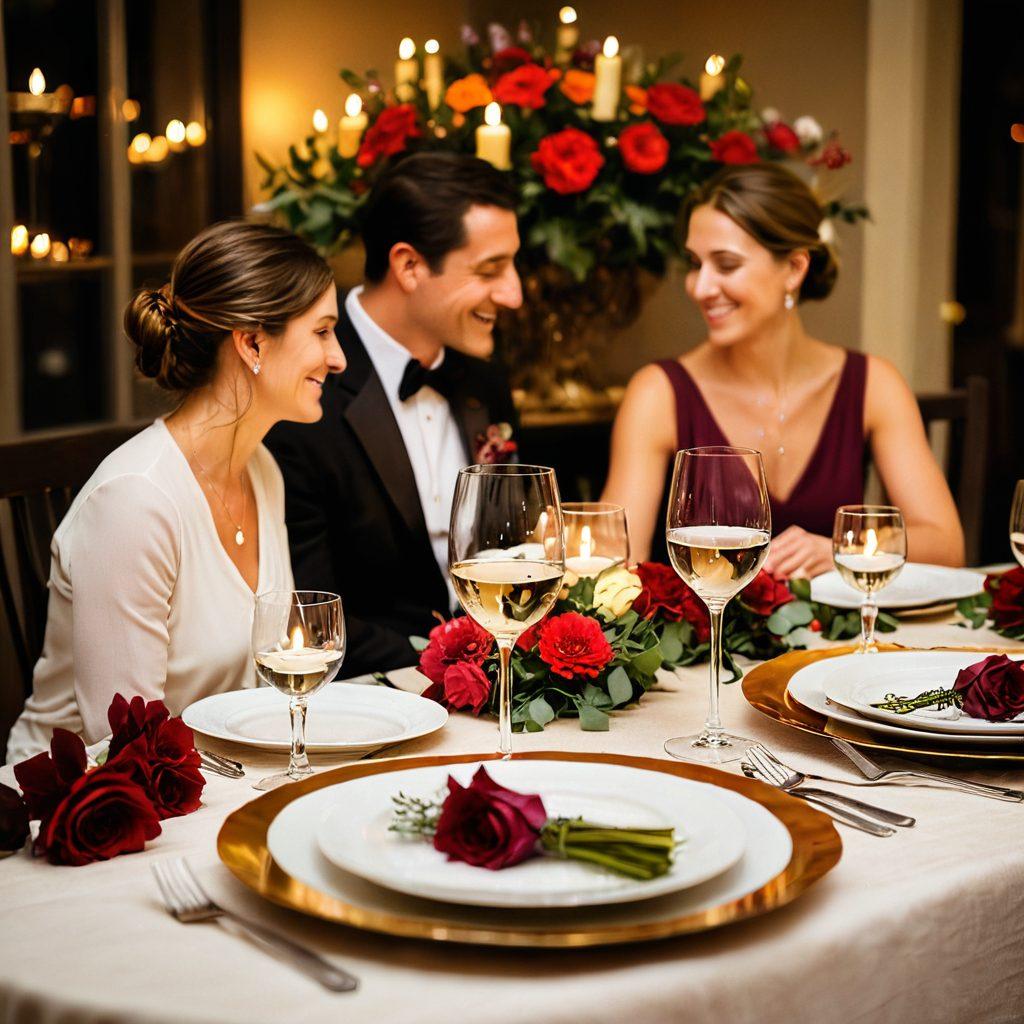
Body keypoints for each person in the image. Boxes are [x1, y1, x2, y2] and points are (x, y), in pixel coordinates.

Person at [7, 222, 345, 761]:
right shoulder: (134, 503)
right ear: (252, 341)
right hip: (85, 806)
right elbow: (123, 745)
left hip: (225, 776)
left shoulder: (264, 472)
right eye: (322, 331)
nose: (338, 358)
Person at [602, 163, 964, 577]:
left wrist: (839, 549)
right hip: (712, 639)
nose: (700, 288)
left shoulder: (872, 385)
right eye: (694, 263)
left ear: (794, 268)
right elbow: (614, 565)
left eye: (725, 264)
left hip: (836, 640)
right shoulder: (658, 393)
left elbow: (946, 543)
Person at [266, 152, 522, 677]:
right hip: (366, 695)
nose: (514, 293)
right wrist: (453, 665)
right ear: (409, 266)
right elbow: (310, 615)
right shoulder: (303, 385)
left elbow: (520, 544)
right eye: (490, 270)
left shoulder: (485, 376)